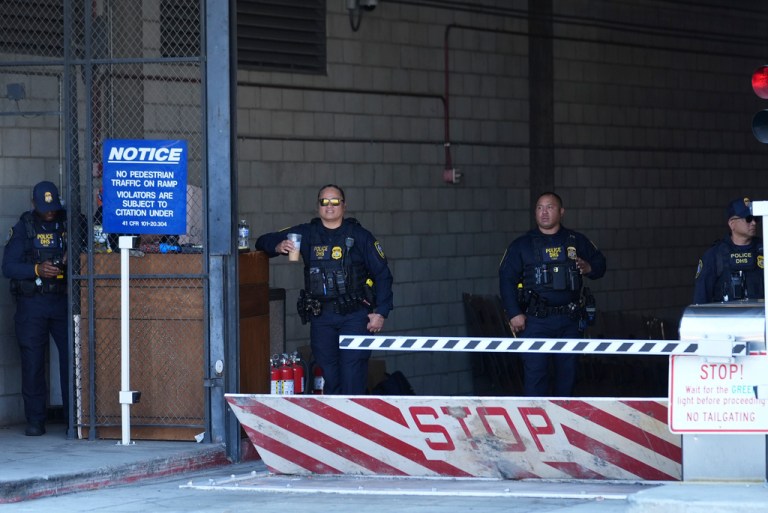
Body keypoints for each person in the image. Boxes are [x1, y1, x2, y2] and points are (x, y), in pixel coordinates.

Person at [255, 184, 393, 394]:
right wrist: (278, 246)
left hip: (355, 315)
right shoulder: (307, 233)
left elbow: (383, 274)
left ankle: (352, 423)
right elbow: (262, 241)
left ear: (344, 206)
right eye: (324, 202)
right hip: (322, 317)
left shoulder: (360, 236)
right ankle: (334, 425)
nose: (329, 206)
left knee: (352, 375)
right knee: (329, 375)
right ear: (318, 206)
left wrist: (380, 312)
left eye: (335, 201)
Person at [498, 192, 606, 397]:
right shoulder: (521, 245)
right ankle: (535, 424)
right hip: (535, 321)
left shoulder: (576, 240)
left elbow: (601, 265)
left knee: (568, 376)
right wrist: (514, 313)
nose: (544, 212)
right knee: (536, 376)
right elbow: (506, 279)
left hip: (570, 320)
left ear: (561, 212)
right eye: (539, 208)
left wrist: (589, 267)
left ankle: (564, 425)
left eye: (549, 207)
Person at [2, 181, 69, 436]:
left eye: (52, 208)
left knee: (71, 360)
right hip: (32, 304)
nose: (49, 213)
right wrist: (37, 270)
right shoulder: (24, 227)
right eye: (44, 208)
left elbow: (92, 246)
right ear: (34, 204)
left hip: (63, 301)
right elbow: (8, 267)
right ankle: (35, 420)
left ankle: (73, 419)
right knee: (32, 362)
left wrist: (70, 256)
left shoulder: (69, 223)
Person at [693, 197, 764, 304]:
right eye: (748, 219)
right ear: (732, 224)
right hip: (727, 319)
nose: (753, 223)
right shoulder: (715, 255)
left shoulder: (764, 250)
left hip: (760, 318)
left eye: (756, 219)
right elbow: (701, 299)